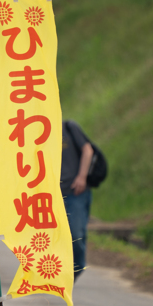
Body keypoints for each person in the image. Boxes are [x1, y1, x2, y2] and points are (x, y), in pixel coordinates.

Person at [61, 120, 94, 280]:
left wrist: (82, 176)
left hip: (75, 191)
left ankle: (77, 266)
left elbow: (87, 150)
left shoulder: (68, 127)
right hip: (51, 194)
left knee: (76, 232)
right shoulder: (34, 131)